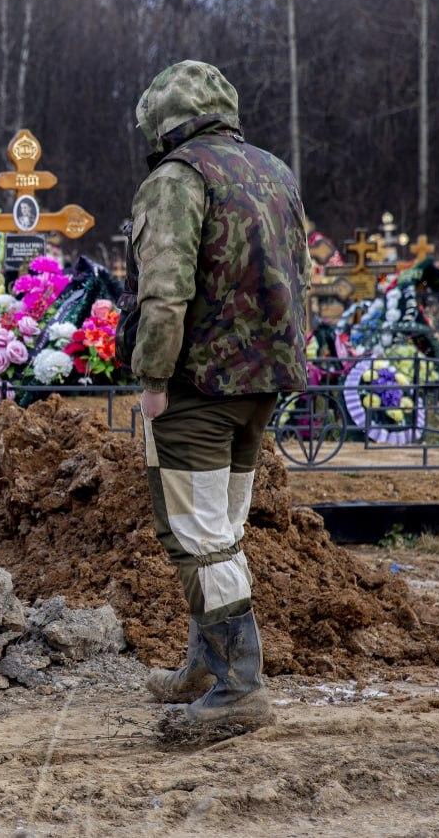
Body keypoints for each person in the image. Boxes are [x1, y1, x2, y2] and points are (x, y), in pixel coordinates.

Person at [118, 61, 309, 733]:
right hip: (263, 381)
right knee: (222, 528)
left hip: (200, 384)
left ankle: (237, 685)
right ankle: (206, 661)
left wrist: (151, 380)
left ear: (162, 120)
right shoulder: (273, 171)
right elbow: (298, 275)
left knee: (200, 538)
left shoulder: (176, 180)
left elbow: (164, 291)